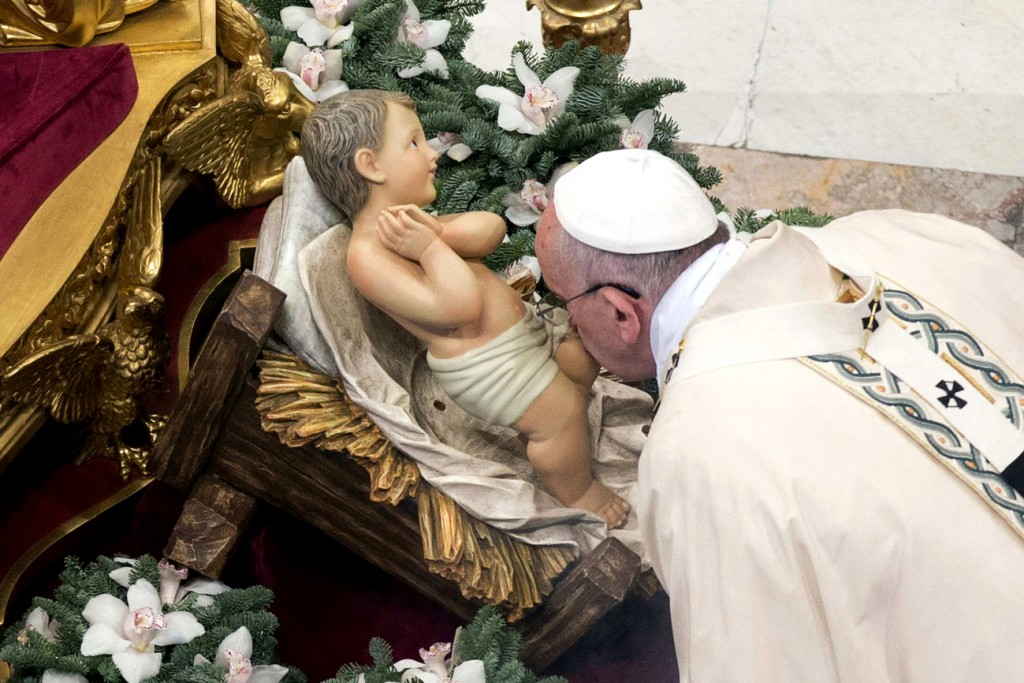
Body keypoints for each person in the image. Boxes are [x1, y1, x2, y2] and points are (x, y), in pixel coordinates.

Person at [534, 148, 1024, 680]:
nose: (565, 322)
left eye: (561, 301)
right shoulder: (901, 234)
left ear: (620, 311)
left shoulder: (701, 453)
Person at [300, 90, 631, 528]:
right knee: (561, 418)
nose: (431, 152)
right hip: (487, 366)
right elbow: (459, 307)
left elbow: (490, 230)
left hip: (519, 341)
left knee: (580, 361)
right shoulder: (368, 256)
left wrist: (437, 231)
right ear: (370, 165)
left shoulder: (412, 224)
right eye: (414, 143)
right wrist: (433, 247)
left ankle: (567, 396)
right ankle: (577, 490)